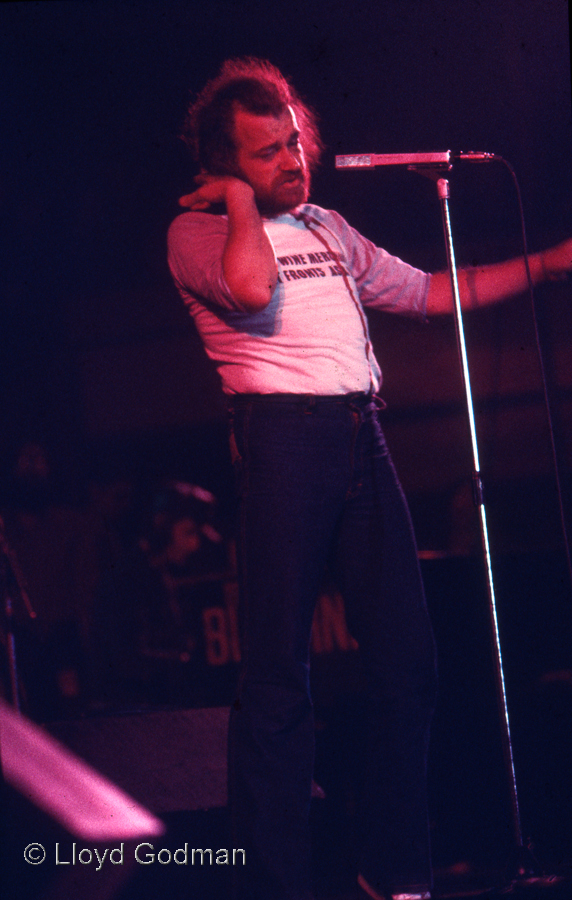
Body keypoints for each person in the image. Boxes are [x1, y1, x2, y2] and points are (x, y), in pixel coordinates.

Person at [167, 57, 572, 900]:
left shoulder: (328, 225)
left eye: (293, 142)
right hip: (282, 443)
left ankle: (392, 876)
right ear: (223, 165)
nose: (292, 160)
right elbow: (247, 290)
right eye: (266, 153)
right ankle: (273, 884)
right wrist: (239, 203)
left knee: (409, 663)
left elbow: (426, 292)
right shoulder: (199, 234)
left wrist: (550, 263)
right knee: (279, 677)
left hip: (363, 435)